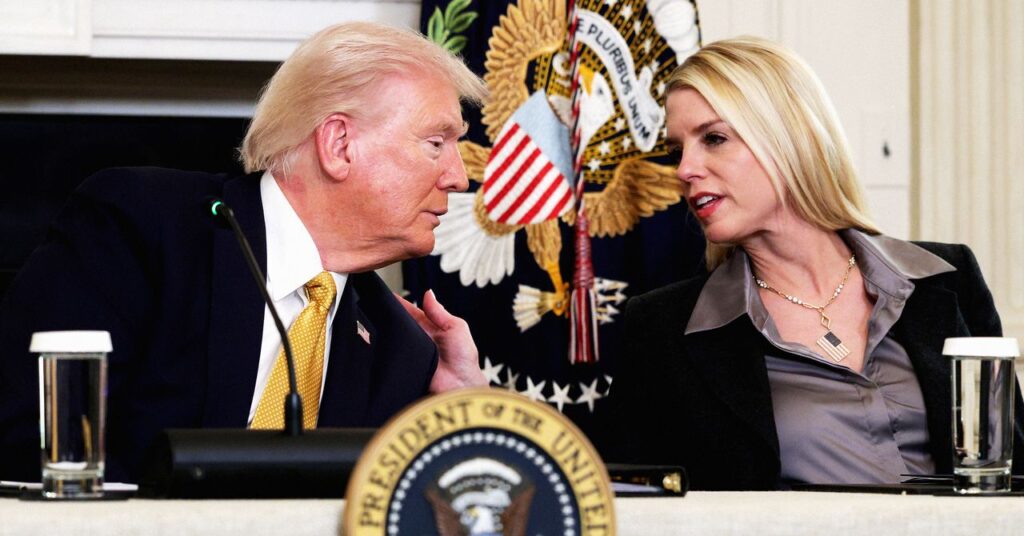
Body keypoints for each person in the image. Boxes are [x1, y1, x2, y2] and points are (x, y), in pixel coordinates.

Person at [0, 22, 488, 483]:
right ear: (339, 144)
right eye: (436, 143)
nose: (458, 177)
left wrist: (468, 407)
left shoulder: (401, 349)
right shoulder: (140, 228)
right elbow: (31, 443)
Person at [605, 37, 1024, 490]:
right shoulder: (662, 329)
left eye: (714, 138)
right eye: (677, 151)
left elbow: (1011, 470)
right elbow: (634, 502)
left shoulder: (949, 277)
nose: (684, 169)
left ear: (790, 137)